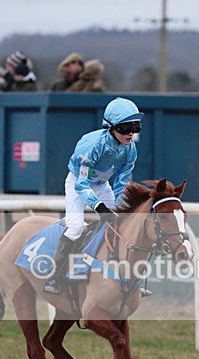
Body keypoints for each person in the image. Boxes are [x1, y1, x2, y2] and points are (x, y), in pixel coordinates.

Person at [44, 97, 143, 295]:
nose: (131, 133)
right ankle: (54, 277)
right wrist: (99, 206)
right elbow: (82, 184)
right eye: (126, 128)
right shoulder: (91, 146)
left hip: (100, 185)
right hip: (78, 184)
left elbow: (122, 182)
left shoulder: (130, 149)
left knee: (119, 223)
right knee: (76, 226)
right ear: (111, 127)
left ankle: (124, 277)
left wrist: (118, 207)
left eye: (136, 126)